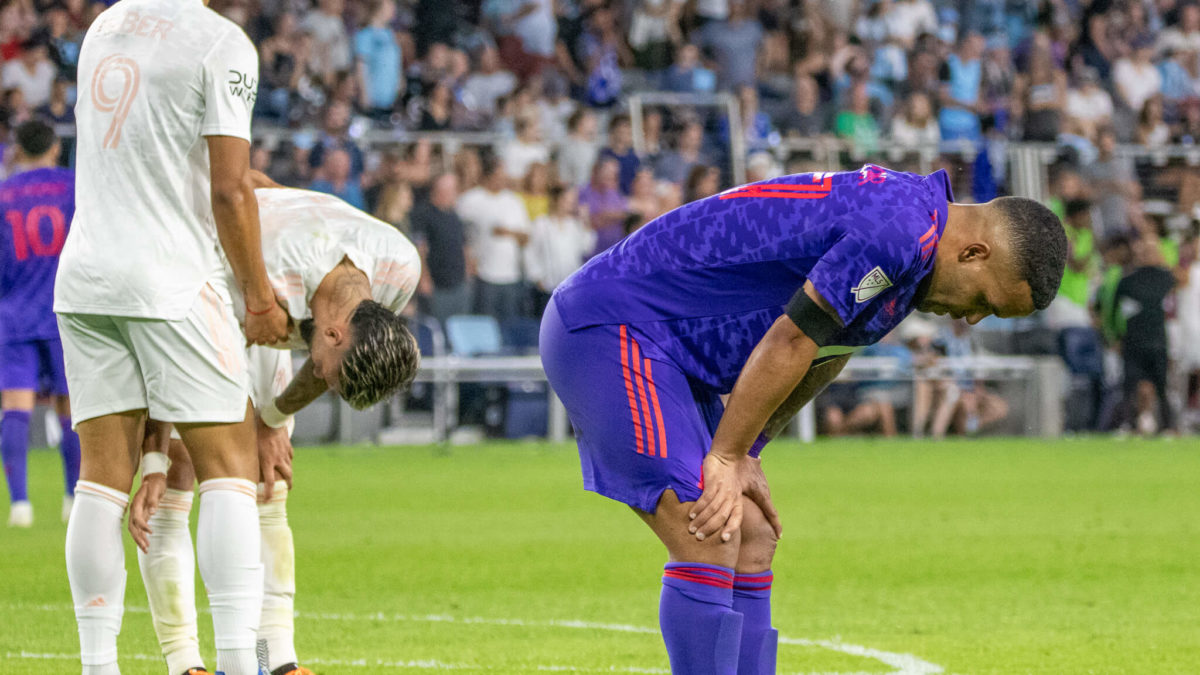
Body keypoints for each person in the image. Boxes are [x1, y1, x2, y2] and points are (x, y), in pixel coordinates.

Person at [540, 164, 1066, 674]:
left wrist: (749, 450)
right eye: (984, 301)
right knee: (710, 531)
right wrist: (726, 455)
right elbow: (792, 337)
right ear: (974, 252)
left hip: (670, 353)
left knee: (751, 535)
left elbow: (829, 351)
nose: (971, 317)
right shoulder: (899, 231)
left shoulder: (919, 247)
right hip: (613, 326)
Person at [56, 1, 292, 673]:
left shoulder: (107, 24)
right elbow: (230, 190)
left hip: (86, 275)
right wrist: (257, 295)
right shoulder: (220, 42)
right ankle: (240, 664)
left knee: (100, 482)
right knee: (230, 466)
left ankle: (98, 665)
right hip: (170, 278)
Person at [131, 176, 421, 675]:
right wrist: (153, 452)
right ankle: (184, 663)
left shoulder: (399, 268)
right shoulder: (262, 268)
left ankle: (277, 659)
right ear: (333, 333)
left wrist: (274, 419)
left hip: (278, 307)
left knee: (269, 484)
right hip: (202, 283)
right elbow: (169, 335)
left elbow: (289, 197)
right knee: (183, 474)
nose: (324, 385)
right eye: (331, 377)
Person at [0, 120, 78, 528]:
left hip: (13, 314)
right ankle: (73, 499)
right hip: (65, 311)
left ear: (19, 150)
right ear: (53, 148)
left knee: (16, 408)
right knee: (72, 407)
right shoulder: (74, 187)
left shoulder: (4, 194)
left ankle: (20, 506)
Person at [456, 156, 530, 322]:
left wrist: (509, 233)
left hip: (511, 275)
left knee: (510, 324)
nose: (502, 180)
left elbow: (526, 236)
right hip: (484, 274)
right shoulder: (470, 200)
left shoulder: (514, 201)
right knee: (484, 322)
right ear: (488, 176)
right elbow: (458, 232)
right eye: (498, 175)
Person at [526, 184, 594, 315]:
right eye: (567, 200)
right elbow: (531, 252)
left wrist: (585, 221)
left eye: (572, 201)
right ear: (557, 200)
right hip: (547, 286)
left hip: (569, 288)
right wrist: (537, 277)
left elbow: (586, 247)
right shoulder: (542, 223)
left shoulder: (574, 225)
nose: (571, 204)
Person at [413, 173, 472, 323]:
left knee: (459, 325)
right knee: (439, 327)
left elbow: (463, 245)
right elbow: (420, 248)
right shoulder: (424, 214)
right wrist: (424, 278)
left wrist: (467, 269)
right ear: (441, 191)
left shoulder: (455, 216)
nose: (455, 194)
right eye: (453, 190)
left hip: (458, 283)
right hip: (437, 284)